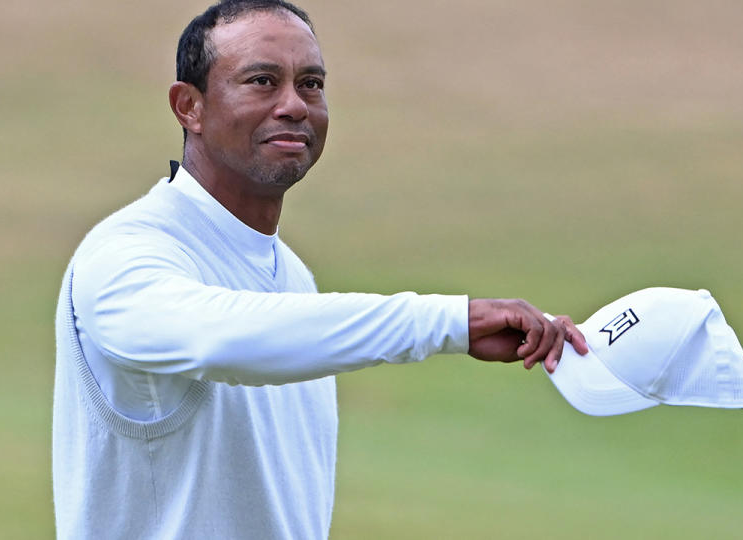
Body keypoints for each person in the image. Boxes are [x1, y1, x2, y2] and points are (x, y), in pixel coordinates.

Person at [52, 1, 588, 538]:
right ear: (189, 106)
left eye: (311, 84)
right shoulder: (123, 256)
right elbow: (218, 337)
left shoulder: (293, 278)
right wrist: (448, 322)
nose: (294, 105)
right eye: (262, 81)